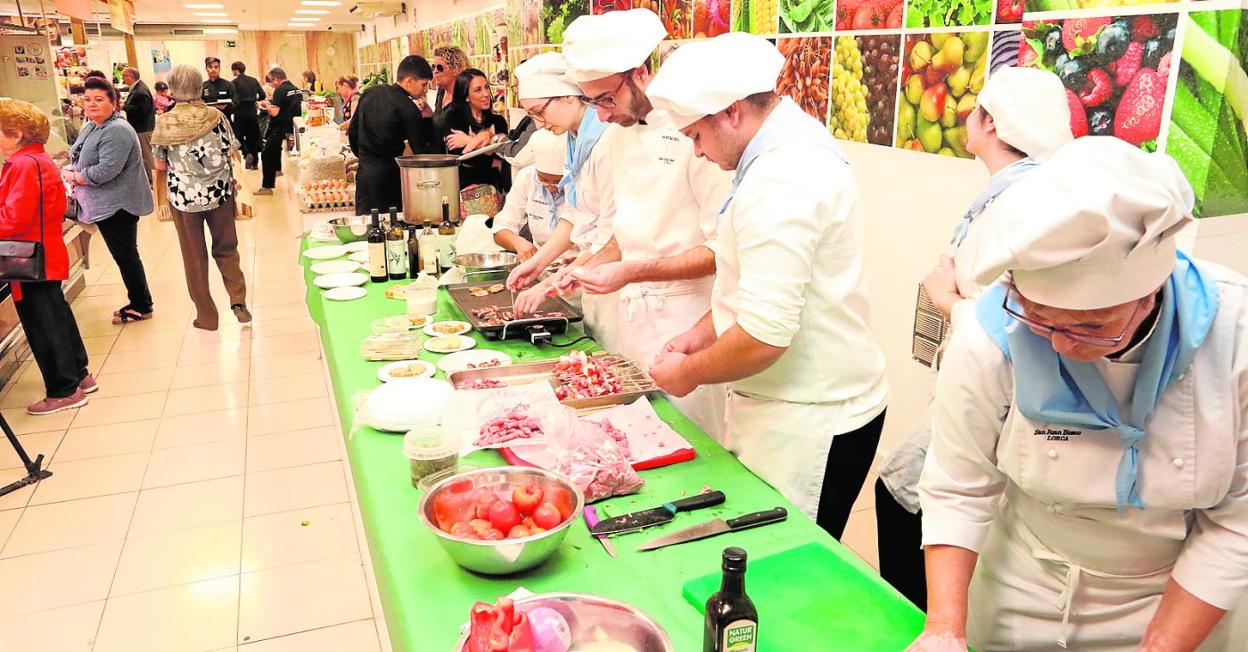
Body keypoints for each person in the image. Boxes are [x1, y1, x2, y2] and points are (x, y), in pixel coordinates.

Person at [909, 137, 1248, 652]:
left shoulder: (1234, 336)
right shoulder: (990, 335)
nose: (1063, 344)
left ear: (1148, 293)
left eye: (1092, 326)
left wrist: (1159, 646)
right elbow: (960, 486)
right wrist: (943, 631)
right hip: (1023, 587)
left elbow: (1237, 524)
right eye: (1040, 319)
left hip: (1177, 598)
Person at [641, 33, 889, 539]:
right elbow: (755, 280)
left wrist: (689, 372)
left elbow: (764, 336)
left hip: (810, 418)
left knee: (784, 560)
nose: (699, 153)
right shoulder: (777, 147)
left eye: (696, 136)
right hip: (790, 401)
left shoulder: (784, 178)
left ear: (731, 112)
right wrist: (702, 332)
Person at [874, 66, 1072, 610]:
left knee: (906, 500)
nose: (965, 115)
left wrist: (948, 299)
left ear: (991, 123)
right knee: (906, 496)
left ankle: (923, 624)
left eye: (976, 109)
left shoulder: (1022, 205)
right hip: (983, 387)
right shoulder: (1020, 190)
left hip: (1001, 396)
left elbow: (1020, 334)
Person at [549, 8, 732, 440]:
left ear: (643, 73)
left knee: (687, 444)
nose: (601, 115)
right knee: (632, 437)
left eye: (606, 99)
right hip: (632, 320)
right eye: (591, 101)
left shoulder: (697, 132)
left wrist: (633, 270)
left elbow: (721, 250)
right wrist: (588, 266)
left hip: (685, 323)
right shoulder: (617, 130)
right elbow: (628, 231)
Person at [505, 52, 619, 352]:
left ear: (569, 97)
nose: (539, 124)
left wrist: (550, 284)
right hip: (590, 279)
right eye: (531, 116)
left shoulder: (608, 142)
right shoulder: (575, 139)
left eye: (539, 112)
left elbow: (610, 237)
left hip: (613, 284)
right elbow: (574, 215)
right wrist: (537, 263)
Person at [0, 99, 95, 415]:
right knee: (57, 316)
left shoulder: (24, 165)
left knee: (44, 324)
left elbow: (14, 219)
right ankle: (80, 375)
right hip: (42, 253)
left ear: (15, 134)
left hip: (30, 257)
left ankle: (63, 389)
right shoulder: (35, 161)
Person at [152, 65, 250, 332]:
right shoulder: (216, 117)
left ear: (172, 91)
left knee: (194, 256)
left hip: (183, 199)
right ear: (199, 89)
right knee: (227, 248)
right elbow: (232, 150)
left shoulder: (165, 122)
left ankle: (207, 317)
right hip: (220, 194)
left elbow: (160, 165)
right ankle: (238, 301)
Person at [67, 76, 155, 324]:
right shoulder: (93, 125)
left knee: (126, 255)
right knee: (124, 255)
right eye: (87, 99)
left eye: (98, 99)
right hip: (106, 202)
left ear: (114, 102)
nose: (91, 104)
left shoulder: (116, 130)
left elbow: (105, 171)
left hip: (118, 204)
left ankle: (142, 305)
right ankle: (140, 300)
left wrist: (76, 176)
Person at [347, 55, 437, 215]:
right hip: (390, 177)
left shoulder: (370, 93)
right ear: (409, 81)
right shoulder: (409, 109)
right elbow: (420, 151)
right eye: (424, 85)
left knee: (366, 226)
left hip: (365, 175)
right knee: (390, 226)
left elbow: (353, 132)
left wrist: (363, 156)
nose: (425, 90)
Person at [491, 129, 578, 259]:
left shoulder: (582, 182)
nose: (551, 188)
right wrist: (517, 242)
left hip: (579, 263)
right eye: (543, 180)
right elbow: (501, 227)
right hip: (540, 264)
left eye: (558, 182)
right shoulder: (527, 177)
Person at [439, 68, 510, 194]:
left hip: (495, 187)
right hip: (464, 188)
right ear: (466, 96)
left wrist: (469, 140)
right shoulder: (452, 118)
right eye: (478, 90)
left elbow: (504, 152)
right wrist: (493, 158)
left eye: (487, 87)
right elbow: (463, 157)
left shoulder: (498, 120)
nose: (486, 94)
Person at [255, 68, 301, 195]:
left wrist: (266, 106)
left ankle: (266, 187)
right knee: (276, 150)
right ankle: (277, 170)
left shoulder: (280, 90)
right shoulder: (296, 89)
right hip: (293, 127)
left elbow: (275, 112)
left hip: (280, 127)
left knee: (266, 153)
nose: (272, 84)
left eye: (272, 81)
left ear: (276, 79)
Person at [120, 67, 155, 181]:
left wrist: (124, 107)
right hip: (140, 127)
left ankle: (152, 179)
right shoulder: (137, 88)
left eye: (124, 76)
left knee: (147, 154)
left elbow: (142, 111)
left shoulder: (140, 91)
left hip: (143, 128)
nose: (123, 78)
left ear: (131, 77)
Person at [230, 61, 266, 170]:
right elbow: (263, 95)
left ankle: (246, 153)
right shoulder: (253, 81)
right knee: (253, 137)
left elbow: (232, 99)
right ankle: (254, 163)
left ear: (236, 70)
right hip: (252, 111)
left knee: (238, 135)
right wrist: (255, 100)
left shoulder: (233, 83)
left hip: (239, 111)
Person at [430, 44, 468, 118]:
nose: (435, 71)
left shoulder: (466, 95)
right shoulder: (441, 92)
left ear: (455, 69)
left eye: (440, 68)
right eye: (433, 67)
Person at [201, 57, 235, 121]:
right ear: (206, 69)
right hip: (208, 123)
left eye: (216, 67)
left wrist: (226, 108)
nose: (213, 69)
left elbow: (236, 104)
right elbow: (199, 105)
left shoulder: (228, 85)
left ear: (219, 69)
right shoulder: (202, 86)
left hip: (225, 121)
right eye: (210, 67)